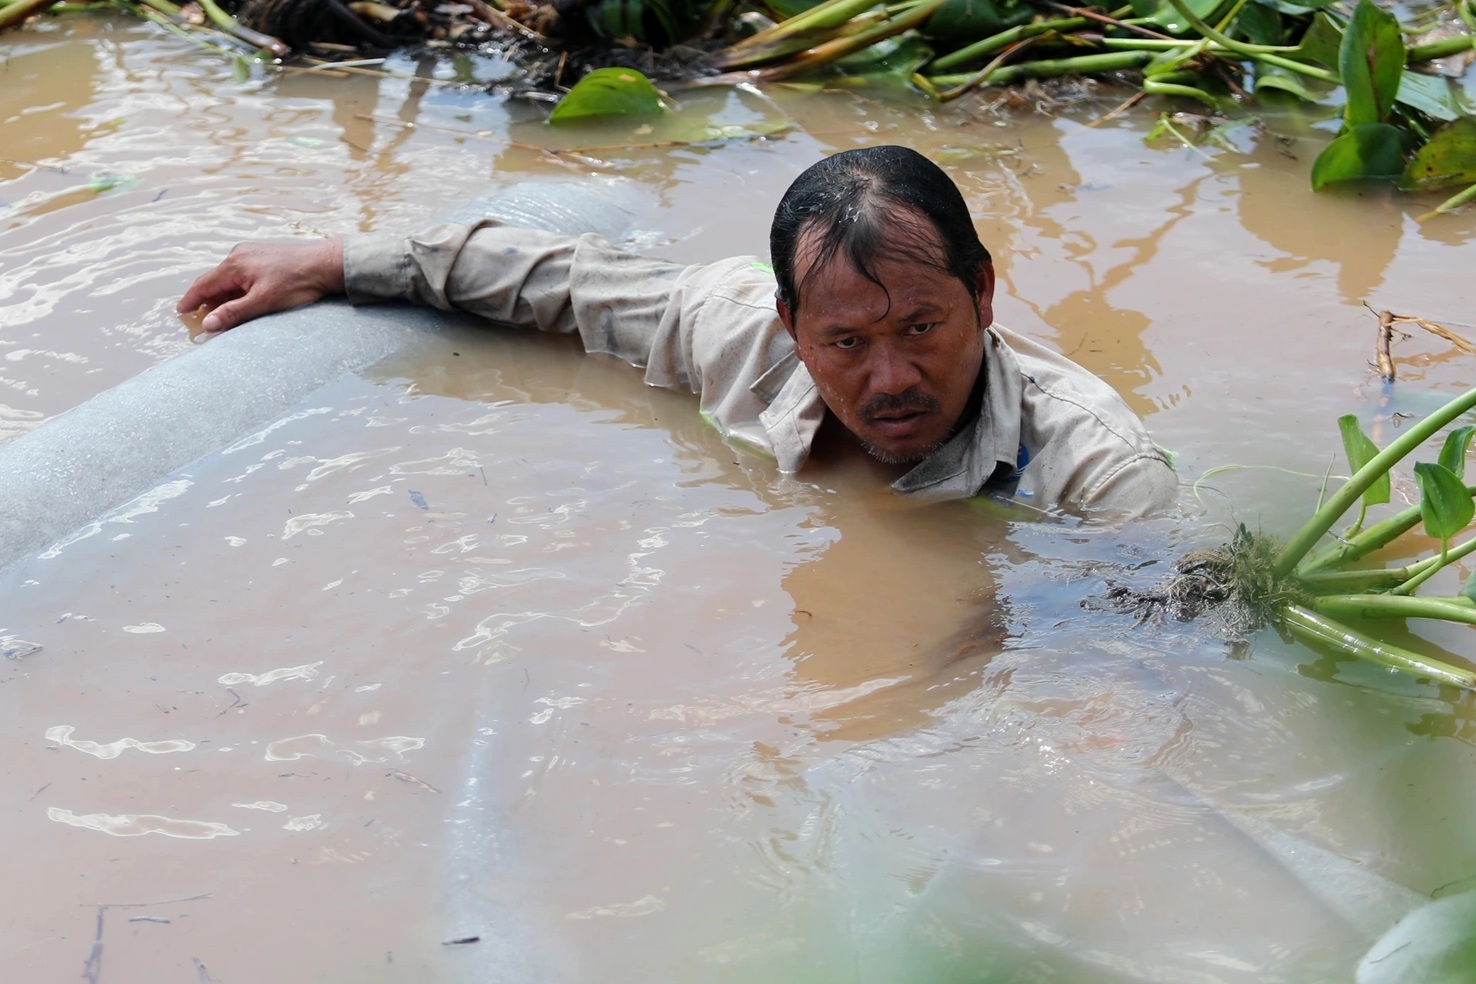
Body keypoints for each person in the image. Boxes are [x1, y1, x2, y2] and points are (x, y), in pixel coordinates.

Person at [178, 145, 1176, 518]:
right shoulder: (740, 330)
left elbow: (1174, 621)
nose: (892, 377)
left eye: (923, 326)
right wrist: (333, 262)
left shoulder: (1094, 466)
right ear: (794, 327)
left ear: (986, 296)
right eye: (847, 344)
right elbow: (562, 282)